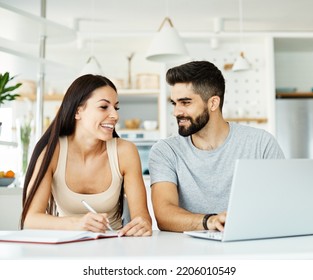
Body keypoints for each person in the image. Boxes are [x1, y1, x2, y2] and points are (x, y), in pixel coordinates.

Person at [149, 61, 284, 233]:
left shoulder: (261, 143)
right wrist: (210, 221)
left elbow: (280, 204)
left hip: (250, 243)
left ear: (213, 103)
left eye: (185, 102)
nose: (176, 112)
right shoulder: (165, 151)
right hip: (188, 251)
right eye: (174, 103)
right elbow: (164, 214)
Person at [21, 74, 152, 237]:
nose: (115, 116)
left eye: (116, 108)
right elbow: (30, 218)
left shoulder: (125, 152)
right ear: (77, 111)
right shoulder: (52, 152)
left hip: (114, 245)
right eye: (104, 107)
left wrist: (143, 224)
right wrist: (77, 223)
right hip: (66, 245)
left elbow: (142, 215)